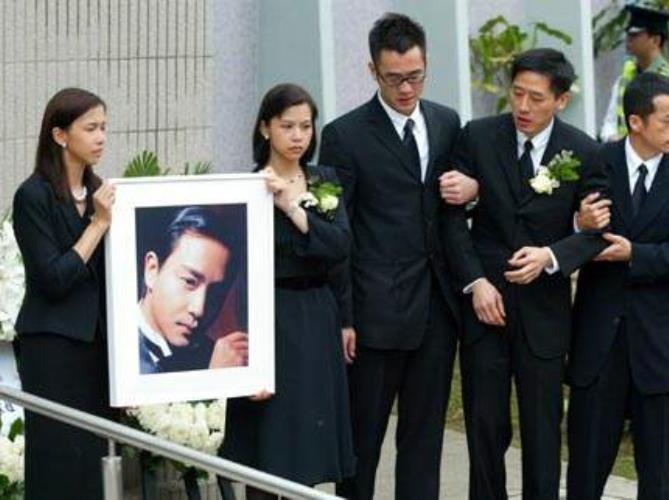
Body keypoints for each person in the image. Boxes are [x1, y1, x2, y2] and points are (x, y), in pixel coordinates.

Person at [444, 48, 609, 499]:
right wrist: (475, 282)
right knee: (484, 426)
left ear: (561, 100)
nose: (523, 106)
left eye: (536, 98)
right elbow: (450, 219)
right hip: (485, 307)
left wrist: (551, 256)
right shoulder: (478, 136)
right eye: (517, 93)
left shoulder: (584, 150)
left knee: (542, 431)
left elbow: (597, 231)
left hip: (544, 312)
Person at [319, 13, 471, 500]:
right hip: (374, 310)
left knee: (424, 440)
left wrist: (473, 190)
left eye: (415, 76)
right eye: (394, 78)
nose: (406, 89)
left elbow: (449, 208)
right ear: (373, 71)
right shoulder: (344, 136)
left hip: (436, 307)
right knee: (363, 440)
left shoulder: (446, 122)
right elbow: (338, 234)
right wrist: (345, 316)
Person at [567, 72, 669, 499]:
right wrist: (580, 224)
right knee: (585, 468)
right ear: (635, 122)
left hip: (659, 342)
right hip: (598, 342)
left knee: (657, 474)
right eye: (668, 120)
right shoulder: (596, 161)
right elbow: (564, 228)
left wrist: (636, 255)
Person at [219, 83, 355, 499]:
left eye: (306, 127)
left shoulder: (324, 180)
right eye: (287, 126)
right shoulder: (247, 187)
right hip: (266, 314)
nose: (298, 136)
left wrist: (293, 207)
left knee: (307, 436)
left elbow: (340, 246)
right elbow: (233, 270)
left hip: (316, 312)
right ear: (265, 128)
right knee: (265, 440)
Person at [11, 87, 116, 499]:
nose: (100, 137)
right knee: (56, 461)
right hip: (52, 348)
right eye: (90, 128)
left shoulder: (100, 191)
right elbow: (53, 279)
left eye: (103, 127)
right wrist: (97, 225)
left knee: (95, 461)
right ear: (59, 135)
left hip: (97, 348)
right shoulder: (32, 196)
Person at [137, 205, 249, 374]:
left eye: (215, 294)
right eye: (190, 282)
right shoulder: (112, 344)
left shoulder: (220, 357)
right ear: (152, 270)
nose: (199, 309)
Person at [600, 5, 669, 151]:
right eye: (628, 34)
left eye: (635, 35)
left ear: (655, 40)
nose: (628, 40)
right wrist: (617, 141)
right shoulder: (624, 79)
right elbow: (609, 124)